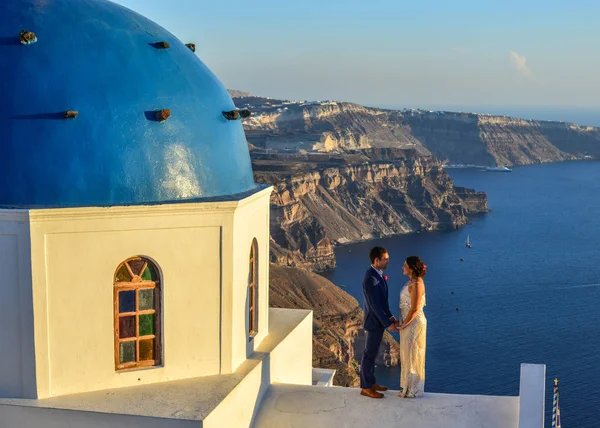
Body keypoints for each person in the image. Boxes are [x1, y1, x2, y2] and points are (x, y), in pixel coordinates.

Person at [360, 246, 398, 399]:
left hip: (379, 322)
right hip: (374, 323)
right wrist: (387, 323)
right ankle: (365, 387)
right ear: (377, 260)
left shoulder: (378, 275)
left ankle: (372, 382)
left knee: (373, 353)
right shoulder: (370, 278)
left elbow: (383, 303)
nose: (388, 261)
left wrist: (390, 317)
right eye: (386, 259)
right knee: (369, 354)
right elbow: (374, 305)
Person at [397, 256, 427, 398]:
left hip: (414, 324)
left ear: (411, 268)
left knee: (412, 354)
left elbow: (414, 309)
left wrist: (404, 324)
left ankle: (412, 389)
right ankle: (407, 388)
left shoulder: (416, 284)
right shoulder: (412, 282)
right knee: (407, 354)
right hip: (408, 322)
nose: (402, 267)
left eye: (404, 265)